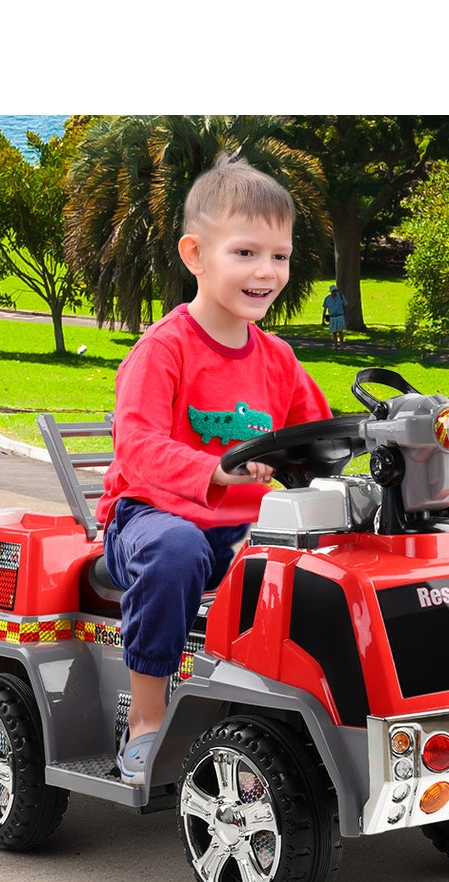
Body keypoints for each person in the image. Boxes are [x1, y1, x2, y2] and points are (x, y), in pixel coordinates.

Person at [97, 155, 332, 786]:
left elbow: (316, 440)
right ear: (195, 254)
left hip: (243, 531)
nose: (266, 271)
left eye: (280, 256)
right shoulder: (163, 349)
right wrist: (215, 471)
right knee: (174, 552)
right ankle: (147, 720)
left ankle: (298, 715)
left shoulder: (279, 359)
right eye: (245, 253)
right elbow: (136, 446)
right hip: (152, 518)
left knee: (332, 562)